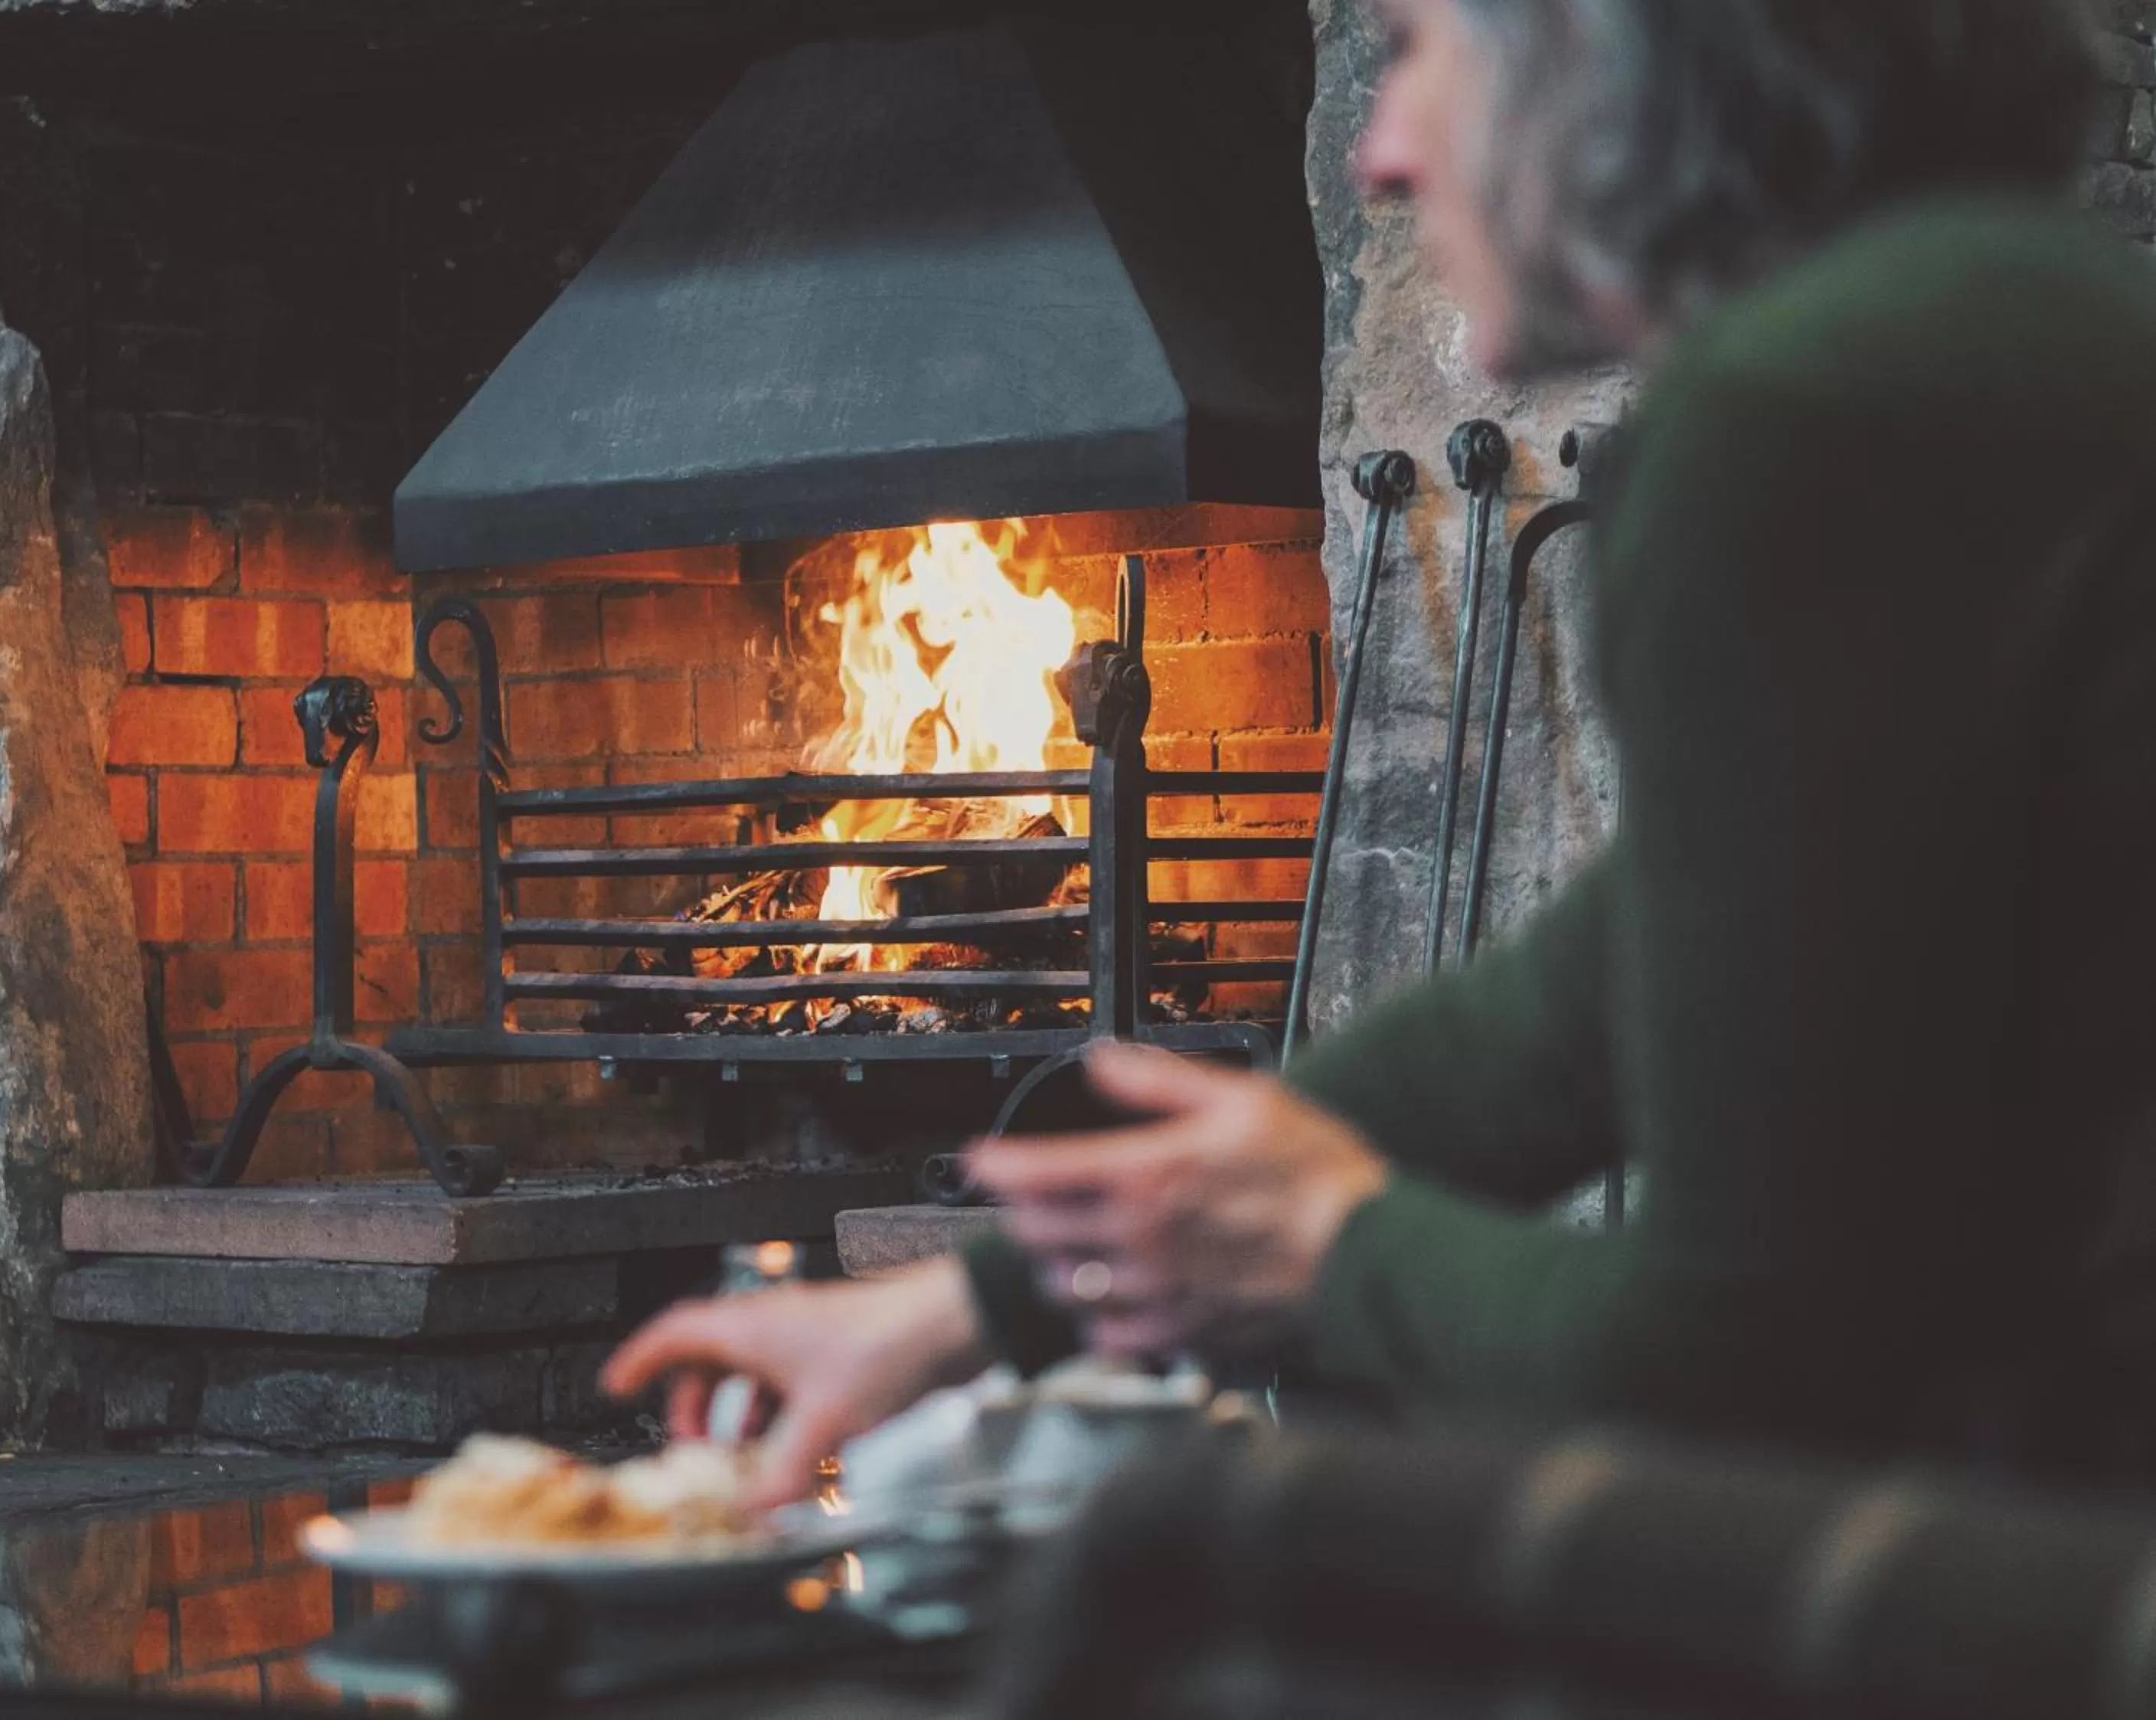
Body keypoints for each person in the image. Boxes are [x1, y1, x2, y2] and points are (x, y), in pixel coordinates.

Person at [609, 0, 2156, 1506]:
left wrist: (1326, 1252)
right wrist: (965, 1308)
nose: (1381, 151)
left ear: (1597, 49)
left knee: (1166, 1572)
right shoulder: (2001, 337)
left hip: (2059, 1580)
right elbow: (1570, 1019)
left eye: (1418, 48)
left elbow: (1744, 1371)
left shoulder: (1813, 417)